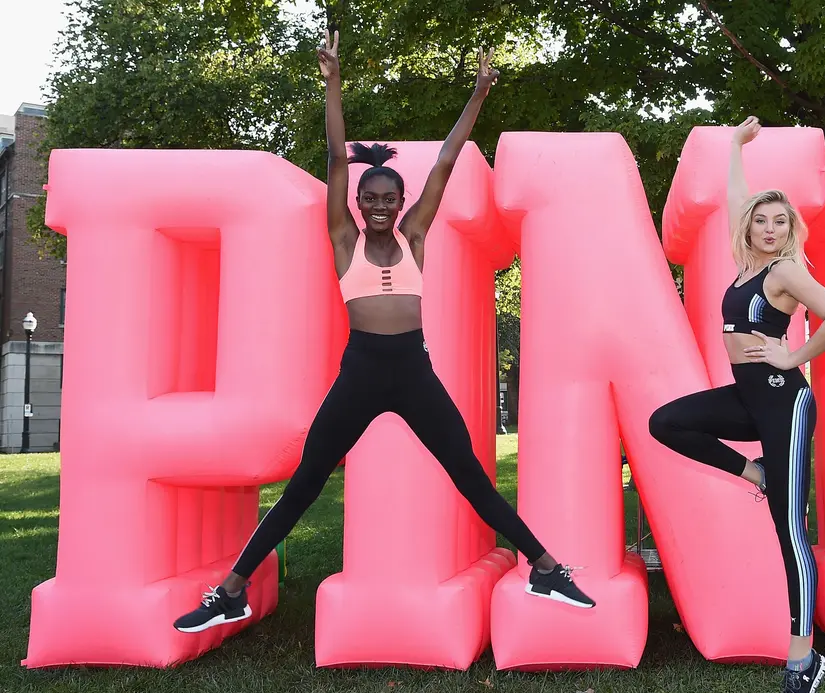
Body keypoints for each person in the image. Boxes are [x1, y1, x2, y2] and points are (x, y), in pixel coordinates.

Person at [174, 29, 594, 634]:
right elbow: (332, 157)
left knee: (470, 475)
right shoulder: (343, 241)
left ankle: (548, 568)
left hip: (413, 371)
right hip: (363, 371)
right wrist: (333, 84)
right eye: (368, 196)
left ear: (400, 203)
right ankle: (231, 590)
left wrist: (477, 95)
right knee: (306, 483)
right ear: (357, 201)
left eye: (387, 197)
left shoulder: (415, 237)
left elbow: (446, 162)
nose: (376, 204)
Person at [648, 116, 825, 693]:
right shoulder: (746, 264)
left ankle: (802, 657)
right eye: (761, 221)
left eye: (778, 221)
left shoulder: (787, 270)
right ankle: (755, 473)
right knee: (668, 422)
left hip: (783, 404)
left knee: (789, 533)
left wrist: (794, 355)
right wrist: (736, 148)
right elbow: (739, 199)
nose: (767, 227)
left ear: (791, 230)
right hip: (746, 398)